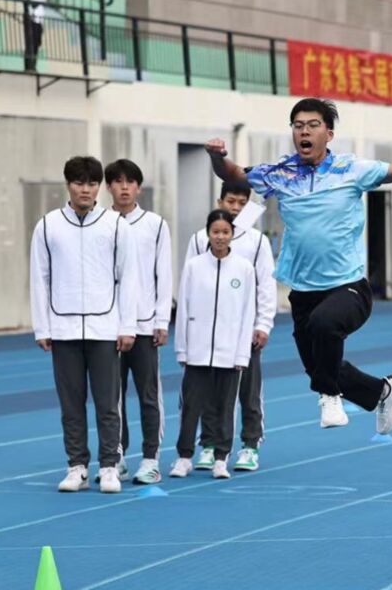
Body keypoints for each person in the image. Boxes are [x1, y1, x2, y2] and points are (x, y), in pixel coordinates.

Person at [204, 97, 392, 432]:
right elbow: (234, 174)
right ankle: (382, 392)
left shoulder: (351, 170)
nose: (304, 132)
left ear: (329, 133)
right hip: (303, 290)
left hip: (349, 286)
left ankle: (329, 396)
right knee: (320, 364)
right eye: (298, 126)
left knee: (325, 328)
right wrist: (216, 157)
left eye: (312, 125)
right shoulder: (279, 174)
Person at [30, 156, 138, 494]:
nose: (86, 190)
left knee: (108, 404)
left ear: (99, 188)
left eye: (92, 183)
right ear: (68, 185)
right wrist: (42, 327)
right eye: (79, 183)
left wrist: (127, 325)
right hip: (62, 329)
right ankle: (76, 466)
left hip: (105, 329)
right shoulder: (48, 226)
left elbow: (128, 277)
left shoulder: (115, 225)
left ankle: (109, 466)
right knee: (71, 404)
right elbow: (39, 278)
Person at [183, 180, 276, 473]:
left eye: (241, 203)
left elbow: (266, 285)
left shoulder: (257, 241)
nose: (235, 208)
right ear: (220, 200)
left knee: (248, 389)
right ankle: (209, 444)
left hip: (244, 331)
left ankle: (250, 444)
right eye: (230, 201)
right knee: (209, 390)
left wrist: (263, 324)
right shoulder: (200, 239)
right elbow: (190, 285)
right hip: (208, 332)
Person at [171, 210, 256, 480]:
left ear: (232, 235)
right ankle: (184, 457)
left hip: (230, 353)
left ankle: (221, 458)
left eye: (225, 232)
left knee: (225, 407)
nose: (220, 237)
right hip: (197, 351)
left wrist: (242, 353)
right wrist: (182, 348)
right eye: (215, 232)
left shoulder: (244, 268)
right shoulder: (194, 266)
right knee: (191, 407)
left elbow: (247, 313)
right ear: (207, 233)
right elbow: (183, 308)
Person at [104, 159, 171, 485]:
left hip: (144, 326)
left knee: (148, 394)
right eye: (117, 181)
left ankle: (150, 458)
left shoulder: (155, 225)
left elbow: (163, 273)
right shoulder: (99, 224)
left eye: (130, 181)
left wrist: (161, 320)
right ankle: (115, 455)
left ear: (139, 187)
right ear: (109, 187)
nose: (124, 187)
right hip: (108, 326)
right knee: (111, 396)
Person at [19, 0, 48, 72]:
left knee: (36, 43)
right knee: (31, 43)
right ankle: (29, 67)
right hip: (31, 17)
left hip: (37, 18)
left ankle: (32, 66)